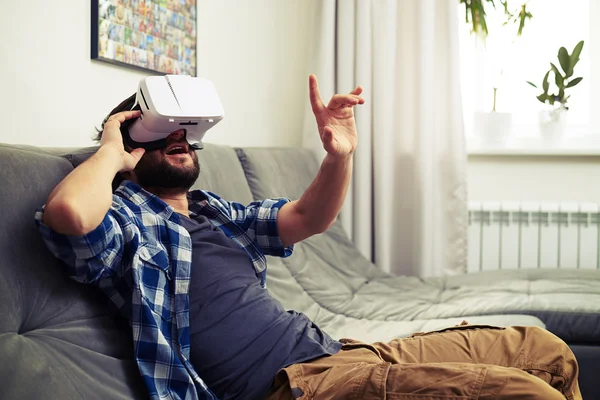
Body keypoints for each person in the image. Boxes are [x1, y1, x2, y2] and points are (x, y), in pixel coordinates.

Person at [36, 75, 581, 400]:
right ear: (130, 149)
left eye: (186, 132)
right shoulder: (126, 220)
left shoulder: (215, 212)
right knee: (521, 394)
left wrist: (338, 155)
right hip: (293, 388)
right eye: (160, 132)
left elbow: (308, 217)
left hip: (340, 352)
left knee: (546, 353)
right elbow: (67, 213)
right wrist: (110, 150)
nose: (180, 139)